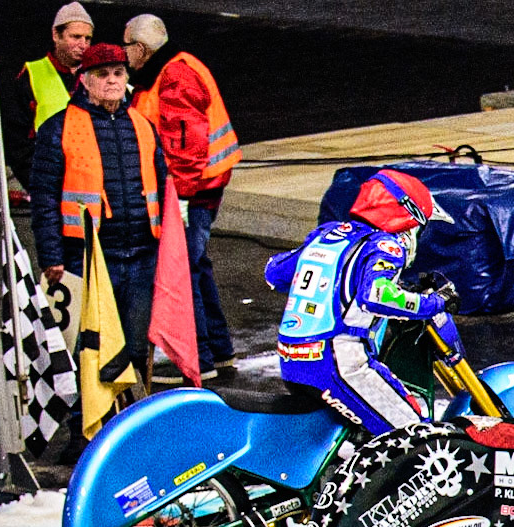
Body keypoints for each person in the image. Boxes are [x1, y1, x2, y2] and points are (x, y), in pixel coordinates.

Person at [30, 43, 167, 462]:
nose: (112, 81)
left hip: (141, 255)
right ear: (84, 81)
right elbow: (44, 198)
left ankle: (131, 429)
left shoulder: (142, 125)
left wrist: (168, 250)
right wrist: (51, 256)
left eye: (118, 73)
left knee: (134, 350)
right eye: (103, 74)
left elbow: (161, 188)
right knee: (88, 352)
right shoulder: (59, 129)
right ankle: (84, 434)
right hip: (87, 260)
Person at [264, 169, 456, 436]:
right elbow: (376, 295)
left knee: (370, 431)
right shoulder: (386, 246)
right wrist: (434, 302)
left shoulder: (329, 234)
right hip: (340, 362)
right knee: (415, 434)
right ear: (409, 218)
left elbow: (274, 272)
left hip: (293, 361)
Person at [124, 13, 241, 381]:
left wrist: (182, 199)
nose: (124, 55)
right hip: (202, 185)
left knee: (183, 271)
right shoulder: (174, 68)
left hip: (193, 189)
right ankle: (217, 352)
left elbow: (185, 145)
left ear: (140, 48)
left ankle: (197, 360)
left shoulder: (173, 76)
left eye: (127, 47)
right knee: (196, 266)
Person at [2, 2, 93, 200]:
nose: (83, 44)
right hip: (50, 184)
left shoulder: (99, 75)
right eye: (75, 36)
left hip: (94, 185)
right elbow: (17, 139)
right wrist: (38, 184)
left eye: (87, 38)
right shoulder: (32, 74)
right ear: (56, 35)